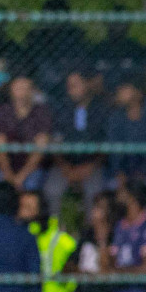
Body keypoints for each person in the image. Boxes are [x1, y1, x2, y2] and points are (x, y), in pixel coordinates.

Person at [44, 69, 108, 211]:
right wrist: (66, 168)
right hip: (65, 165)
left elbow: (107, 145)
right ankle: (56, 230)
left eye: (76, 84)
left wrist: (90, 167)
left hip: (92, 165)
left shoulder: (101, 109)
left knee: (94, 192)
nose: (71, 89)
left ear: (87, 84)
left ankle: (90, 231)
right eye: (69, 85)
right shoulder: (61, 109)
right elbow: (55, 142)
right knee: (52, 190)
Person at [0, 73, 51, 195]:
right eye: (17, 88)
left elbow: (39, 151)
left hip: (33, 168)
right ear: (10, 90)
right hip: (9, 166)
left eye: (25, 88)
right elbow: (0, 150)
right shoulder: (4, 111)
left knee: (30, 184)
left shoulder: (42, 112)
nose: (21, 93)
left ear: (32, 90)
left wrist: (21, 177)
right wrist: (9, 175)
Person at [19, 189, 78, 292]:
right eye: (22, 207)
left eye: (29, 208)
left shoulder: (61, 239)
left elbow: (73, 273)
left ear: (40, 210)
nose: (23, 212)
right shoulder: (18, 236)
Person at [106, 181, 146, 292]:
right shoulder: (119, 225)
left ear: (132, 198)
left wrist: (119, 272)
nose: (118, 197)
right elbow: (110, 264)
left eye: (122, 193)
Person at [104, 80, 146, 190]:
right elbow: (114, 151)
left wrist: (142, 172)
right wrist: (119, 173)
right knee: (112, 185)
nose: (120, 92)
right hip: (123, 169)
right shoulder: (116, 118)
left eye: (125, 88)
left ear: (138, 92)